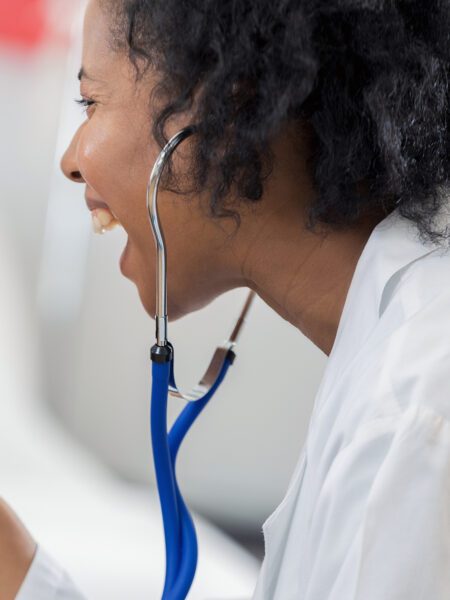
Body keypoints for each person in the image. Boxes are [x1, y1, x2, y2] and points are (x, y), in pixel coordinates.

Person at [3, 0, 450, 597]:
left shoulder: (416, 420)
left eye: (91, 102)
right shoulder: (390, 363)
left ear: (225, 105)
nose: (70, 161)